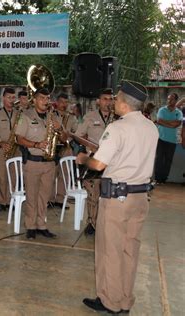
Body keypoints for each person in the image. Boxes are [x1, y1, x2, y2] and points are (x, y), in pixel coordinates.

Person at [77, 81, 158, 314]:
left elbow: (99, 163)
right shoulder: (151, 127)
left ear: (124, 104)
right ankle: (124, 300)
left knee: (110, 250)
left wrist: (83, 159)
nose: (113, 102)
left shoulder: (118, 128)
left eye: (116, 99)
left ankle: (109, 302)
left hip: (117, 199)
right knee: (129, 250)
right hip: (140, 196)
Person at [15, 88, 66, 240]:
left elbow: (64, 138)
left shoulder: (53, 117)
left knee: (44, 196)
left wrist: (59, 129)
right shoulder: (25, 116)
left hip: (49, 163)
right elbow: (19, 139)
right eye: (42, 98)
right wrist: (36, 145)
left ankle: (41, 225)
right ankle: (30, 226)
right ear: (35, 100)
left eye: (48, 98)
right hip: (33, 162)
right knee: (31, 196)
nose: (46, 101)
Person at [75, 88, 114, 234]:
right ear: (98, 101)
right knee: (93, 193)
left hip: (112, 162)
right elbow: (78, 136)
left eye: (110, 99)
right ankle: (91, 222)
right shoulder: (90, 116)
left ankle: (104, 223)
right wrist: (89, 146)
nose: (108, 102)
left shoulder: (117, 118)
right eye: (105, 99)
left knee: (108, 195)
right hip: (94, 159)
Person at [0, 87, 20, 212]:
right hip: (2, 148)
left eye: (13, 97)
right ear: (3, 98)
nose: (11, 100)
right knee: (2, 176)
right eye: (9, 97)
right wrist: (1, 143)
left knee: (14, 176)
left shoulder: (19, 114)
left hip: (16, 148)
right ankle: (3, 201)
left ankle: (12, 199)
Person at [50, 93, 78, 207]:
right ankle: (50, 199)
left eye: (66, 102)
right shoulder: (51, 114)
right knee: (51, 173)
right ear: (56, 102)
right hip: (54, 147)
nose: (64, 104)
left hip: (66, 148)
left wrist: (69, 135)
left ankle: (60, 199)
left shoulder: (72, 117)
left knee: (65, 174)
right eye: (61, 102)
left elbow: (76, 132)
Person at [154, 93, 182, 184]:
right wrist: (171, 123)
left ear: (176, 101)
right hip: (161, 139)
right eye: (168, 99)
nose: (169, 101)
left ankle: (163, 179)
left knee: (168, 161)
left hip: (172, 141)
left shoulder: (179, 112)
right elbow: (159, 121)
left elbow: (177, 124)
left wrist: (165, 122)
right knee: (159, 159)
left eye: (171, 99)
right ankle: (158, 179)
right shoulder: (162, 110)